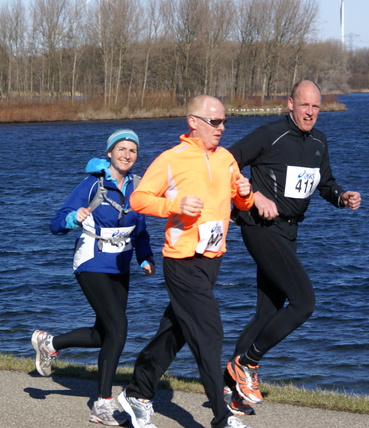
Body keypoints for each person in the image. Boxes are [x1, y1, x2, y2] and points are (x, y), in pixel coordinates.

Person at [116, 95, 254, 428]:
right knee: (209, 331)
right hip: (181, 260)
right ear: (193, 121)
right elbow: (139, 198)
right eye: (215, 122)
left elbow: (242, 203)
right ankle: (221, 417)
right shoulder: (171, 159)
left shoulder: (226, 159)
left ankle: (137, 392)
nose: (221, 128)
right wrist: (174, 206)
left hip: (212, 260)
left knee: (175, 330)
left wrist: (246, 192)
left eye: (224, 121)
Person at [223, 80, 362, 408]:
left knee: (267, 313)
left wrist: (342, 197)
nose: (310, 112)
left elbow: (324, 184)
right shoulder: (271, 133)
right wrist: (253, 195)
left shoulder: (319, 142)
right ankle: (247, 364)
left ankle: (230, 387)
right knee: (304, 302)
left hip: (289, 232)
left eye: (316, 107)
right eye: (304, 106)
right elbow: (226, 162)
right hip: (260, 227)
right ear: (290, 104)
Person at [31, 129, 155, 426]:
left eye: (132, 151)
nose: (127, 155)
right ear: (110, 153)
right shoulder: (92, 185)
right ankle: (103, 403)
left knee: (105, 333)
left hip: (121, 266)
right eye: (121, 149)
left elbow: (140, 231)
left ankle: (50, 343)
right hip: (91, 261)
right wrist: (75, 218)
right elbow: (56, 223)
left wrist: (146, 258)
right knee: (120, 327)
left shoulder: (138, 187)